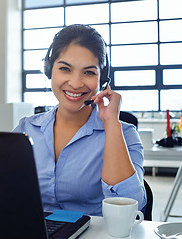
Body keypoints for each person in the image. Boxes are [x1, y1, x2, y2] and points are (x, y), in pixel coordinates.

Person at [14, 24, 146, 216]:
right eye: (65, 69)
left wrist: (111, 124)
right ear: (50, 71)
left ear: (103, 79)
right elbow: (2, 191)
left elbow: (131, 206)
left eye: (89, 72)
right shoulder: (26, 128)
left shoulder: (124, 134)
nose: (75, 83)